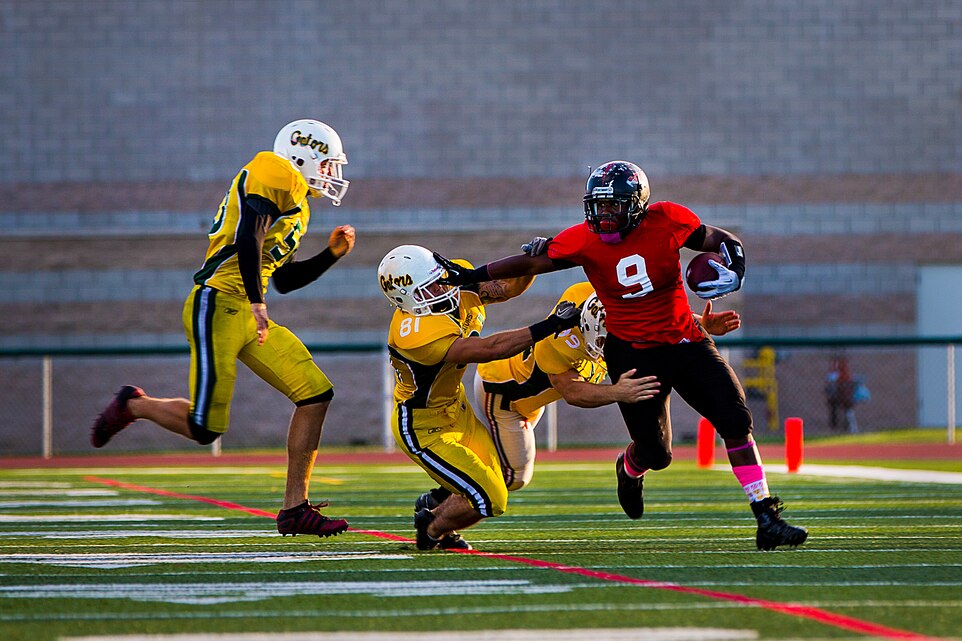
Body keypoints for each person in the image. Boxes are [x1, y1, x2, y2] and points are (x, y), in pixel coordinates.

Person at [434, 160, 808, 551]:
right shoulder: (583, 239)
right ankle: (629, 469)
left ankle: (765, 514)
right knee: (657, 453)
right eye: (599, 206)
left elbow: (719, 240)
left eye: (614, 206)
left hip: (685, 341)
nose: (604, 215)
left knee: (735, 418)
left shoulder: (667, 219)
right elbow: (531, 263)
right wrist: (468, 276)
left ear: (638, 204)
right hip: (632, 352)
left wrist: (736, 265)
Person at [90, 119, 355, 539]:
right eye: (326, 164)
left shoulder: (299, 204)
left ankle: (294, 509)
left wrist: (331, 255)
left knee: (315, 392)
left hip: (249, 312)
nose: (331, 174)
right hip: (218, 303)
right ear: (301, 157)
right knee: (204, 428)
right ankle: (134, 404)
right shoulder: (275, 169)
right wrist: (257, 301)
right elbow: (248, 238)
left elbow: (283, 278)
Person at [377, 244, 581, 551]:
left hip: (457, 410)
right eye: (430, 286)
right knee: (491, 499)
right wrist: (551, 325)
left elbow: (505, 287)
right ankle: (432, 527)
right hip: (424, 427)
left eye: (438, 278)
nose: (441, 286)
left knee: (502, 479)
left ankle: (437, 506)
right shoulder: (415, 332)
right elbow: (490, 350)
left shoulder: (448, 280)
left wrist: (538, 258)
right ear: (406, 298)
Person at [469, 279, 738, 493]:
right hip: (504, 392)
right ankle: (442, 501)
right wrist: (617, 391)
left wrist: (700, 323)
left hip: (532, 398)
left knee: (493, 462)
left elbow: (650, 316)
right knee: (513, 477)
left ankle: (453, 490)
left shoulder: (605, 302)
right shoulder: (559, 340)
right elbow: (572, 392)